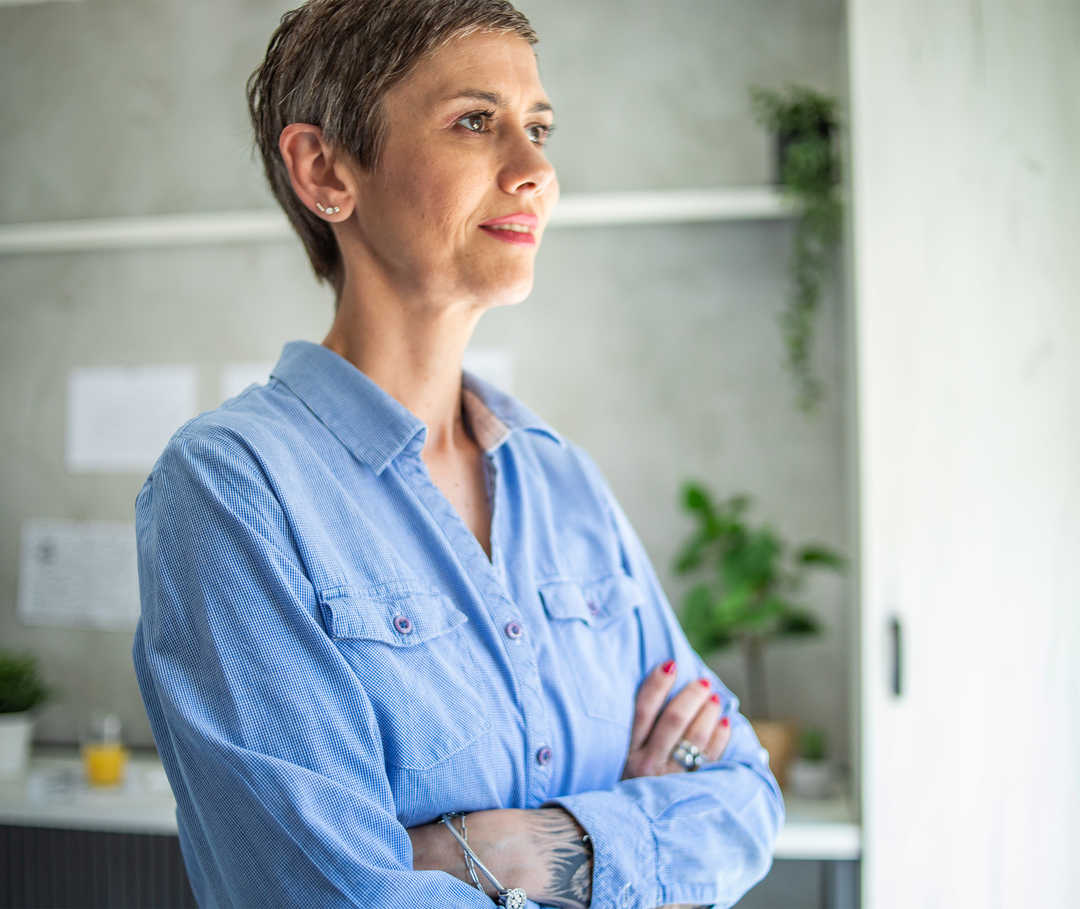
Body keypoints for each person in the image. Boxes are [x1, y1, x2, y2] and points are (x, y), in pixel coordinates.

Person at [131, 1, 785, 906]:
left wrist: (506, 852)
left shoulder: (562, 480)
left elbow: (746, 798)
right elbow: (330, 896)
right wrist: (637, 834)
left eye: (539, 128)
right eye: (477, 121)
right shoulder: (232, 488)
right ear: (325, 169)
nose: (535, 170)